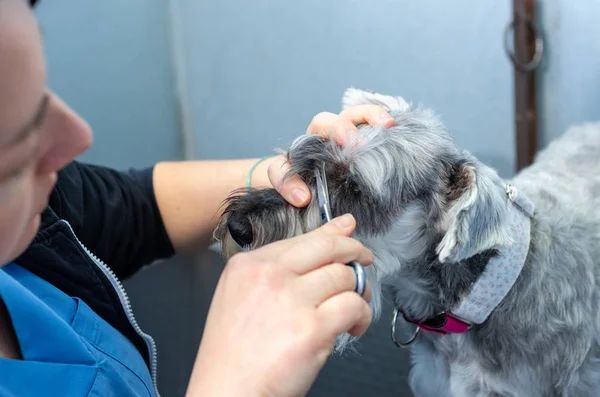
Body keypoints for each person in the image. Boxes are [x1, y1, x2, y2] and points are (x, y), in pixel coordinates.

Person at [0, 0, 397, 395]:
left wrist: (278, 174)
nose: (79, 138)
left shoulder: (33, 225)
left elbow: (134, 207)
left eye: (43, 95)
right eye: (17, 155)